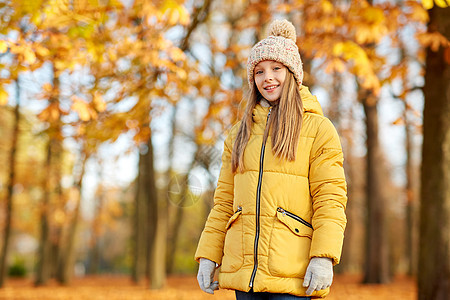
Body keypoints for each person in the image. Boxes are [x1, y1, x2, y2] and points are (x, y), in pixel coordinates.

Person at [195, 19, 347, 300]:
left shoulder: (318, 130)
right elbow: (224, 202)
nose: (268, 78)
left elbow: (330, 200)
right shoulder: (239, 134)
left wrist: (324, 257)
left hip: (293, 275)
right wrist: (208, 255)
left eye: (277, 69)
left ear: (292, 73)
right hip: (245, 275)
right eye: (259, 71)